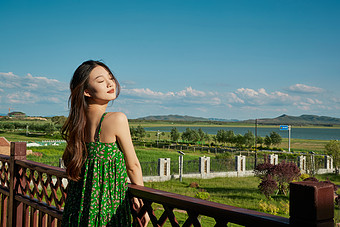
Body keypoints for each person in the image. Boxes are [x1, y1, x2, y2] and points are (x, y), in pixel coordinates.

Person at [61, 60, 148, 226]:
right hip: (107, 207)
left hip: (76, 207)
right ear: (86, 91)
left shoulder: (77, 124)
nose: (110, 83)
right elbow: (133, 166)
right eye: (101, 81)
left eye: (110, 78)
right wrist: (141, 201)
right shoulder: (116, 119)